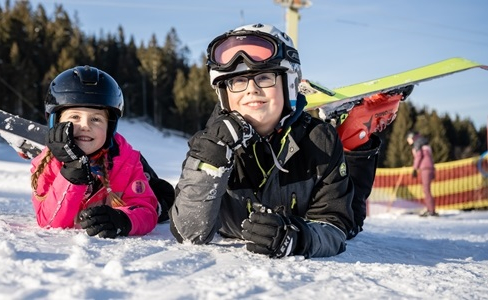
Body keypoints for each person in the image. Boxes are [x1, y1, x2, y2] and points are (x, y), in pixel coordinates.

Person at [169, 23, 403, 258]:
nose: (251, 90)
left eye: (264, 77)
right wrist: (211, 158)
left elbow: (336, 224)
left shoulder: (319, 140)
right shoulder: (207, 145)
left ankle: (354, 133)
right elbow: (189, 231)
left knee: (352, 220)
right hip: (231, 202)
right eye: (237, 82)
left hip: (312, 209)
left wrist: (297, 237)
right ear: (223, 94)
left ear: (289, 84)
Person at [30, 65, 159, 238]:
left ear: (110, 127)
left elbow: (146, 211)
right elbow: (49, 222)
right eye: (75, 117)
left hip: (128, 165)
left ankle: (158, 189)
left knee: (161, 199)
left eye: (96, 119)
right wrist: (72, 171)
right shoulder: (46, 163)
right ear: (56, 122)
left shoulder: (127, 162)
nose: (85, 126)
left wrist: (123, 219)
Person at [406, 131, 437, 217]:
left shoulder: (417, 144)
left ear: (411, 137)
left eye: (408, 139)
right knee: (426, 190)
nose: (407, 141)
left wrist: (415, 168)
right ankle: (430, 209)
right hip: (429, 167)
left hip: (425, 168)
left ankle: (431, 210)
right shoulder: (423, 142)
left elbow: (419, 156)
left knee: (426, 190)